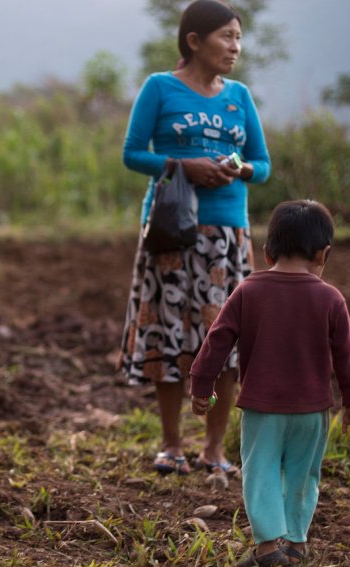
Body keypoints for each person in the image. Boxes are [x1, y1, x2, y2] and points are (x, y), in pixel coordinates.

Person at [118, 0, 271, 477]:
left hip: (227, 235)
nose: (235, 47)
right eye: (227, 37)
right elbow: (131, 154)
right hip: (171, 233)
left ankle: (214, 449)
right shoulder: (159, 88)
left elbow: (263, 166)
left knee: (225, 341)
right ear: (194, 41)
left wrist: (238, 168)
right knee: (169, 336)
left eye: (239, 38)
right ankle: (170, 445)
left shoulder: (240, 96)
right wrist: (183, 165)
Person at [188, 200, 350, 567]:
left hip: (262, 408)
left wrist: (202, 384)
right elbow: (348, 356)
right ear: (323, 254)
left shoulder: (248, 290)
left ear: (267, 251)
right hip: (312, 410)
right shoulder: (331, 298)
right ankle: (297, 542)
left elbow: (217, 341)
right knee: (303, 475)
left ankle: (269, 545)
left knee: (261, 472)